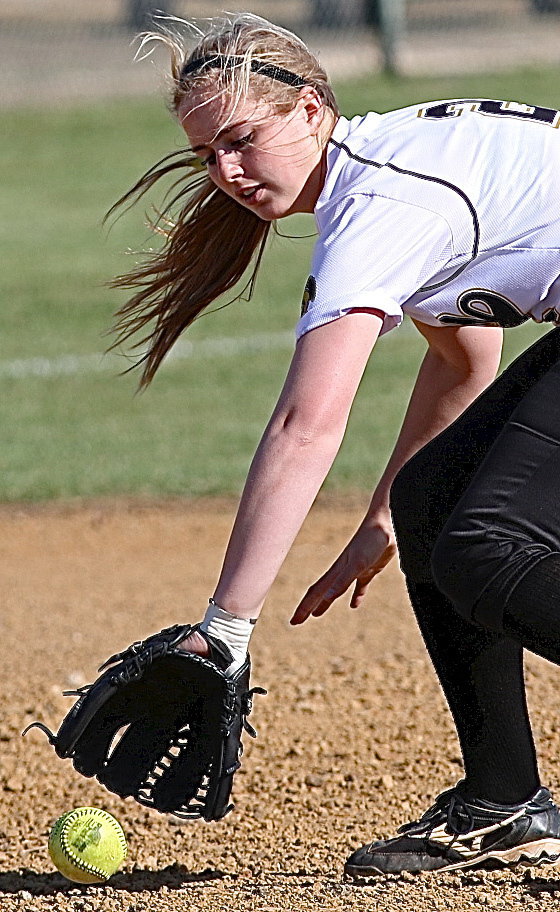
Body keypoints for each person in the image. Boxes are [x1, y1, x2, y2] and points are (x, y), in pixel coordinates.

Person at [107, 11, 560, 875]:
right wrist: (388, 517)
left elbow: (305, 424)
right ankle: (504, 806)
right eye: (206, 156)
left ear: (311, 109)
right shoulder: (383, 170)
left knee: (483, 549)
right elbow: (463, 361)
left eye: (241, 140)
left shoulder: (377, 204)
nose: (226, 173)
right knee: (432, 504)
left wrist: (225, 627)